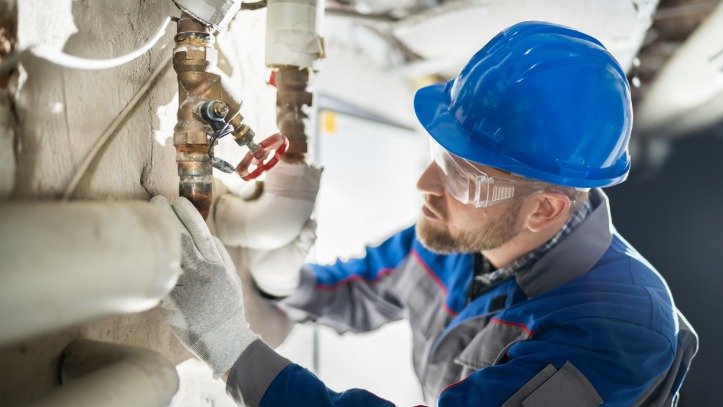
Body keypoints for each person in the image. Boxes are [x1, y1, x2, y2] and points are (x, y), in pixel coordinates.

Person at [152, 21, 698, 406]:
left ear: (545, 209)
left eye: (463, 176)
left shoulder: (618, 333)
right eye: (440, 157)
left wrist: (231, 347)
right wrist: (282, 276)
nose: (425, 185)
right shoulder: (455, 238)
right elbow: (353, 292)